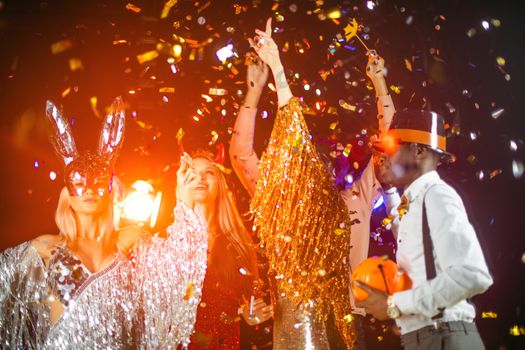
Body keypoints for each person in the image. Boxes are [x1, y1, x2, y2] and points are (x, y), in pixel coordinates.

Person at [229, 18, 396, 349]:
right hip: (292, 328)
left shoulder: (352, 200)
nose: (315, 162)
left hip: (347, 330)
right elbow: (241, 154)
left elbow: (390, 151)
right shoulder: (278, 201)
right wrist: (254, 90)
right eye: (305, 154)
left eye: (322, 157)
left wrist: (380, 86)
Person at [0, 98, 208, 349]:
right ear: (67, 193)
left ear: (111, 189)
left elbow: (180, 266)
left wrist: (183, 196)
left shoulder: (129, 243)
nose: (89, 188)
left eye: (98, 181)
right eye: (79, 181)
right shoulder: (45, 249)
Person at [356, 109, 493, 349]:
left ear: (418, 151)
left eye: (390, 150)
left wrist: (394, 304)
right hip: (427, 337)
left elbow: (472, 274)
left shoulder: (437, 196)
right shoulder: (417, 202)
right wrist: (388, 191)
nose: (382, 159)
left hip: (443, 336)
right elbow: (407, 231)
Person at [179, 151, 273, 349]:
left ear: (219, 184)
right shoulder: (168, 242)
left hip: (227, 342)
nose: (200, 178)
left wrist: (250, 313)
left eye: (209, 173)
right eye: (192, 173)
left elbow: (250, 303)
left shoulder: (238, 244)